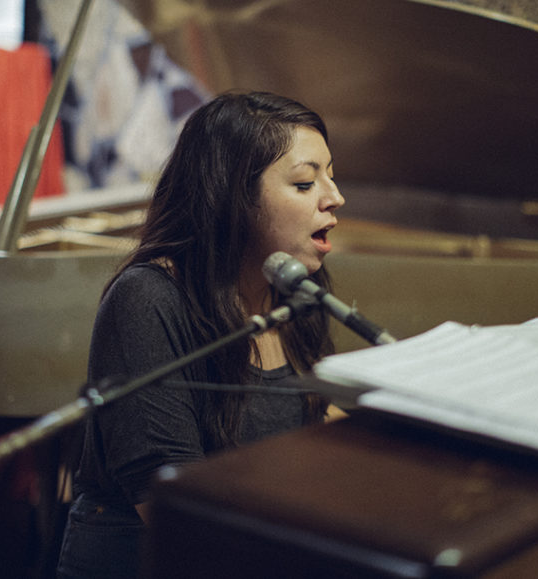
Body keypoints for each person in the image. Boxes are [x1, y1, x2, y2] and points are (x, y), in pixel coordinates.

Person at [56, 91, 346, 578]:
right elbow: (171, 504)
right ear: (234, 199)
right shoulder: (147, 299)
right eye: (304, 183)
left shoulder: (295, 287)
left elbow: (316, 414)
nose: (334, 196)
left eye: (331, 174)